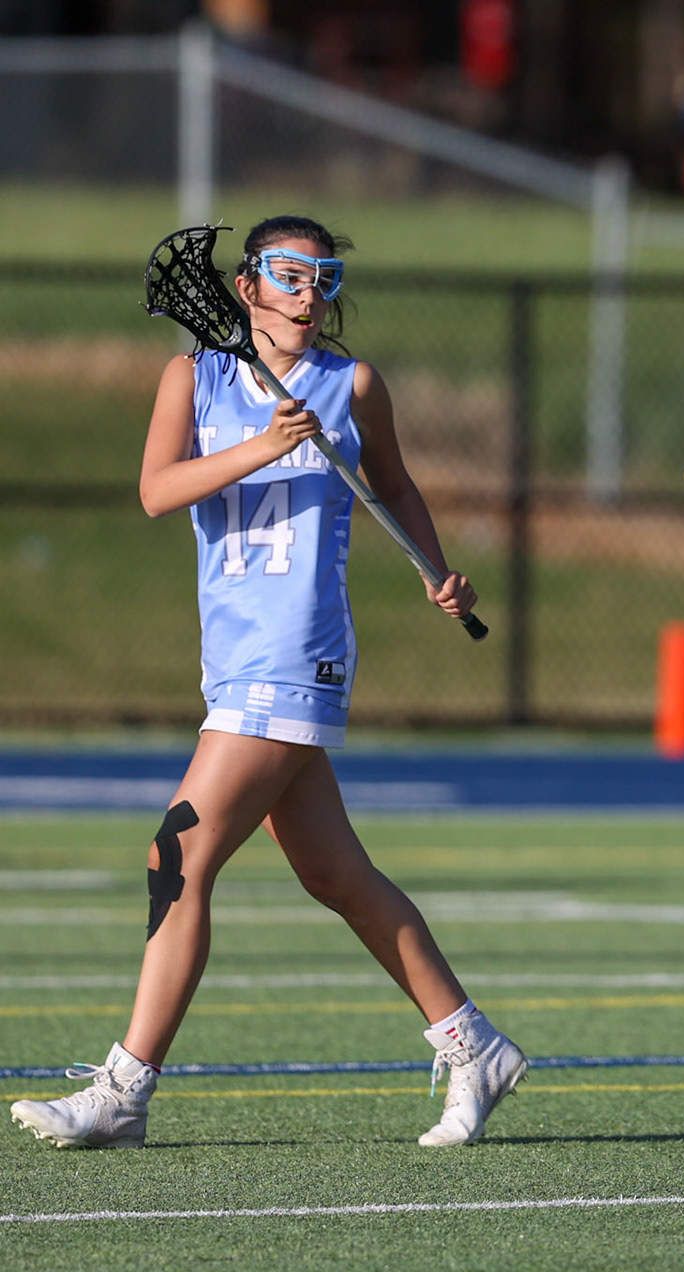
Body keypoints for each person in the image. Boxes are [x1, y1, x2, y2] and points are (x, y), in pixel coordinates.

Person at [9, 215, 526, 1150]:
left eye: (323, 279)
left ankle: (125, 1089)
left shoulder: (351, 383)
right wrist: (269, 442)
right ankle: (472, 1041)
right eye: (288, 275)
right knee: (337, 875)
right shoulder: (193, 378)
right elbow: (158, 490)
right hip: (234, 657)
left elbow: (398, 487)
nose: (308, 295)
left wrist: (431, 568)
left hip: (299, 652)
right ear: (246, 286)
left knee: (177, 856)